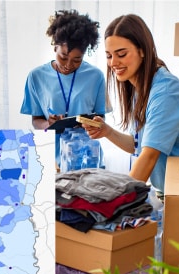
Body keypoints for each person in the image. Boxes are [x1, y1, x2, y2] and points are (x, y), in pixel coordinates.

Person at [83, 14, 179, 197]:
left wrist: (116, 204)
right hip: (168, 191)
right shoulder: (140, 88)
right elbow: (138, 145)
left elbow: (149, 156)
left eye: (122, 54)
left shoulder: (166, 91)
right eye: (109, 56)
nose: (113, 63)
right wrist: (107, 131)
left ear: (142, 50)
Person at [20, 9, 107, 164]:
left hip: (88, 158)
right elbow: (36, 120)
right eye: (63, 57)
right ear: (55, 47)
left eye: (76, 60)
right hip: (50, 158)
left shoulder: (96, 76)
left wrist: (92, 124)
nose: (68, 65)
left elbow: (102, 119)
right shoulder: (36, 76)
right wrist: (48, 124)